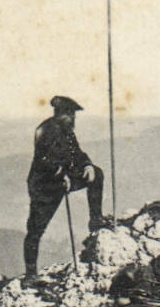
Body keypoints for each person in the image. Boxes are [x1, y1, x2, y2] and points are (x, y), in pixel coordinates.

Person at [23, 95, 108, 279]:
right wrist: (62, 175)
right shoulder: (46, 130)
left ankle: (96, 219)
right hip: (45, 187)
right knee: (35, 230)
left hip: (64, 180)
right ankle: (30, 275)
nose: (73, 118)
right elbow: (45, 160)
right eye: (70, 114)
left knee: (97, 174)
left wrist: (86, 165)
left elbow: (76, 153)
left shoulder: (66, 130)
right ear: (60, 114)